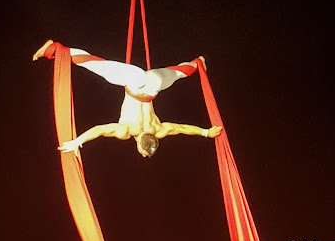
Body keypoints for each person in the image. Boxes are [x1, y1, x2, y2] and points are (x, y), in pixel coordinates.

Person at [33, 40, 223, 157]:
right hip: (135, 83)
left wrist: (206, 133)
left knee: (178, 73)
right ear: (139, 145)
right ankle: (55, 49)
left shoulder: (159, 130)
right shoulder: (126, 131)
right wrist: (77, 142)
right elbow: (99, 130)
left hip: (153, 86)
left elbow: (182, 128)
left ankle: (198, 64)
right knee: (98, 65)